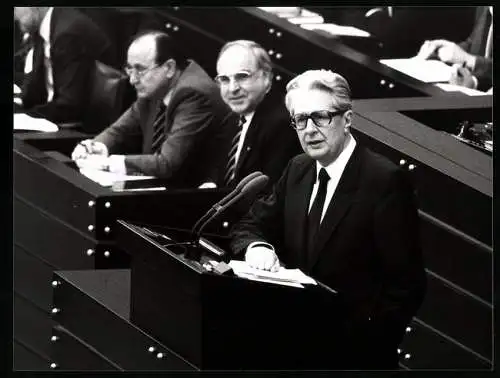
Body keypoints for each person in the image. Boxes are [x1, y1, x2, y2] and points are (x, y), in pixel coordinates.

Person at [229, 70, 427, 369]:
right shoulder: (298, 168)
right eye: (299, 119)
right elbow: (251, 225)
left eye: (320, 117)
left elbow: (406, 284)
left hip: (354, 356)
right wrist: (258, 247)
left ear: (347, 119)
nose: (308, 129)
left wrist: (370, 344)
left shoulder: (383, 180)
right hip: (292, 348)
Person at [71, 31, 235, 187]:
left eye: (140, 69)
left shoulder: (194, 94)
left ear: (169, 67)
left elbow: (166, 164)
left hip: (192, 194)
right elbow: (120, 130)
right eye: (129, 69)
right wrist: (94, 147)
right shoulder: (154, 87)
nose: (133, 79)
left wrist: (107, 163)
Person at [215, 40, 302, 189]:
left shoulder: (281, 124)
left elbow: (268, 194)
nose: (232, 88)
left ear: (267, 78)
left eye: (242, 77)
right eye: (224, 79)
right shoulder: (231, 119)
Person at [14, 7, 118, 123]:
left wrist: (28, 116)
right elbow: (33, 93)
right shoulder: (45, 26)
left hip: (77, 128)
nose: (14, 15)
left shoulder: (67, 33)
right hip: (54, 116)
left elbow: (69, 105)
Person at [416, 6, 492, 91]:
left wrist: (469, 60)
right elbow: (471, 44)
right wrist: (439, 52)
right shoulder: (487, 9)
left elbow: (468, 58)